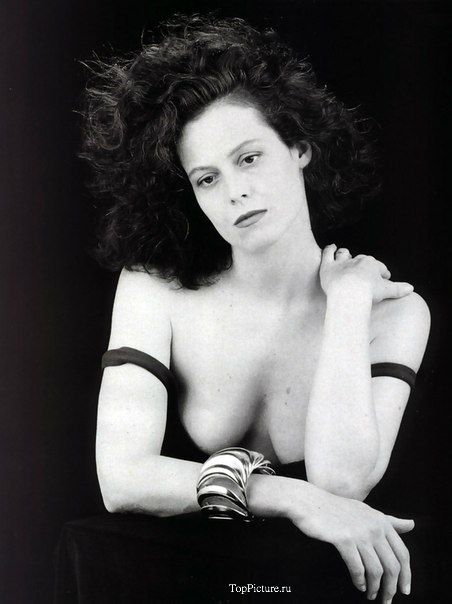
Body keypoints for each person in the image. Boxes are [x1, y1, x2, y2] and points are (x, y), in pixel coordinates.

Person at [80, 14, 430, 603]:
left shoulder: (394, 313)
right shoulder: (153, 289)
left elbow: (342, 482)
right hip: (175, 582)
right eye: (206, 178)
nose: (234, 191)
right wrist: (293, 497)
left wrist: (347, 304)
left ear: (300, 148)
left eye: (248, 158)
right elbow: (120, 479)